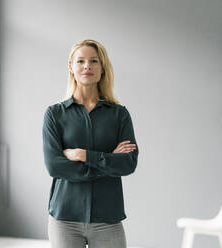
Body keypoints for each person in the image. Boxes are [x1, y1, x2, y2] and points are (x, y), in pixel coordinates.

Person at [42, 39, 139, 248]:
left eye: (94, 61)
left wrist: (84, 155)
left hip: (107, 219)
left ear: (102, 68)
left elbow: (128, 163)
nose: (87, 66)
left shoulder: (119, 114)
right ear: (71, 67)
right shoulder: (55, 114)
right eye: (80, 61)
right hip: (64, 219)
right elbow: (55, 166)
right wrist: (107, 161)